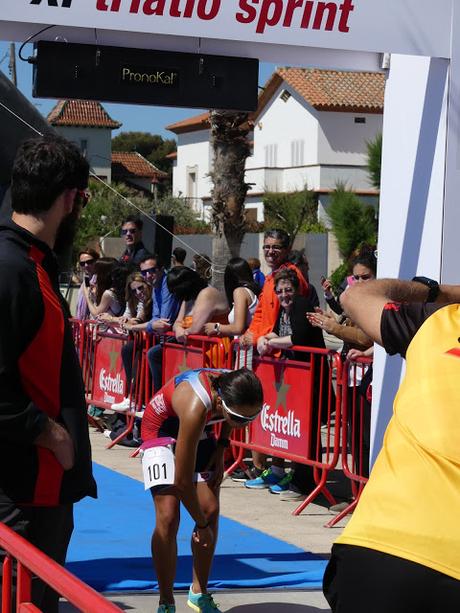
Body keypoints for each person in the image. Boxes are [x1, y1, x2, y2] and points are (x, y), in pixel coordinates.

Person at [0, 135, 97, 612]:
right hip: (22, 498)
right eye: (81, 198)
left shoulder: (29, 264)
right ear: (66, 198)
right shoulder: (11, 269)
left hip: (37, 494)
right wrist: (50, 434)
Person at [323, 276, 460, 612]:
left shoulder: (439, 320)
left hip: (379, 550)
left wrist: (439, 292)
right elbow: (354, 296)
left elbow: (357, 296)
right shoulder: (435, 322)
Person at [140, 367, 264, 613]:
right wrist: (202, 527)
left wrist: (221, 448)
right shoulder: (197, 404)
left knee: (210, 509)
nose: (244, 424)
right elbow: (182, 482)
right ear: (221, 402)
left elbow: (229, 419)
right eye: (239, 419)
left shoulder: (234, 387)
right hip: (162, 429)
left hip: (202, 427)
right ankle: (166, 601)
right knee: (168, 516)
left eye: (251, 418)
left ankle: (199, 592)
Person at [246, 268, 327, 496]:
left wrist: (271, 344)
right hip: (298, 377)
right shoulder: (285, 310)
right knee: (298, 431)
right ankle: (296, 477)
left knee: (308, 431)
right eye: (280, 291)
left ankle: (306, 482)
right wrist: (264, 338)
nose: (284, 295)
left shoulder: (301, 305)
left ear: (297, 289)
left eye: (288, 290)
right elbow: (279, 332)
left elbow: (297, 338)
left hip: (312, 376)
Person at [240, 229, 308, 480]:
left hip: (284, 359)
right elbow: (261, 315)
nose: (270, 251)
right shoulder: (270, 278)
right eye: (267, 246)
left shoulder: (291, 277)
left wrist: (261, 338)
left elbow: (285, 319)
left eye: (276, 247)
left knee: (283, 417)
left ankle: (282, 471)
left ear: (287, 249)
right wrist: (251, 335)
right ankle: (273, 468)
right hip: (267, 356)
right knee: (270, 415)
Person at [111, 254, 180, 411]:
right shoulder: (155, 286)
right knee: (131, 349)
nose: (148, 275)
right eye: (145, 272)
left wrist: (135, 327)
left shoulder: (166, 284)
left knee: (152, 353)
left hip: (176, 338)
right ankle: (134, 397)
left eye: (152, 270)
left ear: (161, 269)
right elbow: (156, 320)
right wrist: (148, 325)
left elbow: (164, 322)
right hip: (160, 337)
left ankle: (155, 404)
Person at [168, 267, 228, 344]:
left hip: (213, 350)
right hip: (194, 349)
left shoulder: (207, 294)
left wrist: (182, 332)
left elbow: (196, 329)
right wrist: (178, 329)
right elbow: (177, 322)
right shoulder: (188, 298)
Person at [204, 257, 260, 338]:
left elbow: (238, 328)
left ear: (229, 277)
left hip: (245, 348)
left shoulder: (240, 292)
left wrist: (216, 327)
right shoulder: (251, 290)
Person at [75, 247, 99, 320]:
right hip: (82, 324)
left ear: (96, 261)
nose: (86, 265)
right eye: (82, 263)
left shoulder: (100, 279)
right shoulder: (86, 280)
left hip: (94, 324)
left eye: (89, 262)